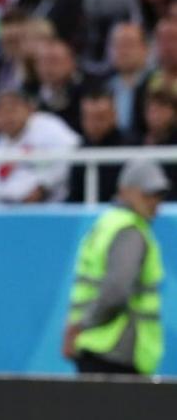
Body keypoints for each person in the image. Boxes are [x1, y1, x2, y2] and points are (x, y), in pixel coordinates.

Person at [64, 159, 167, 376]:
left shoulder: (107, 223)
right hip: (116, 350)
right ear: (125, 191)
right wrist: (82, 326)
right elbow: (116, 291)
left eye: (159, 195)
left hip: (97, 347)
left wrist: (79, 327)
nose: (154, 202)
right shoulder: (129, 230)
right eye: (147, 194)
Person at [0, 88, 81, 204]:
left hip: (54, 205)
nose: (7, 117)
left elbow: (74, 150)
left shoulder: (48, 127)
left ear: (28, 109)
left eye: (12, 110)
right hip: (11, 209)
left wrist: (43, 186)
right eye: (1, 113)